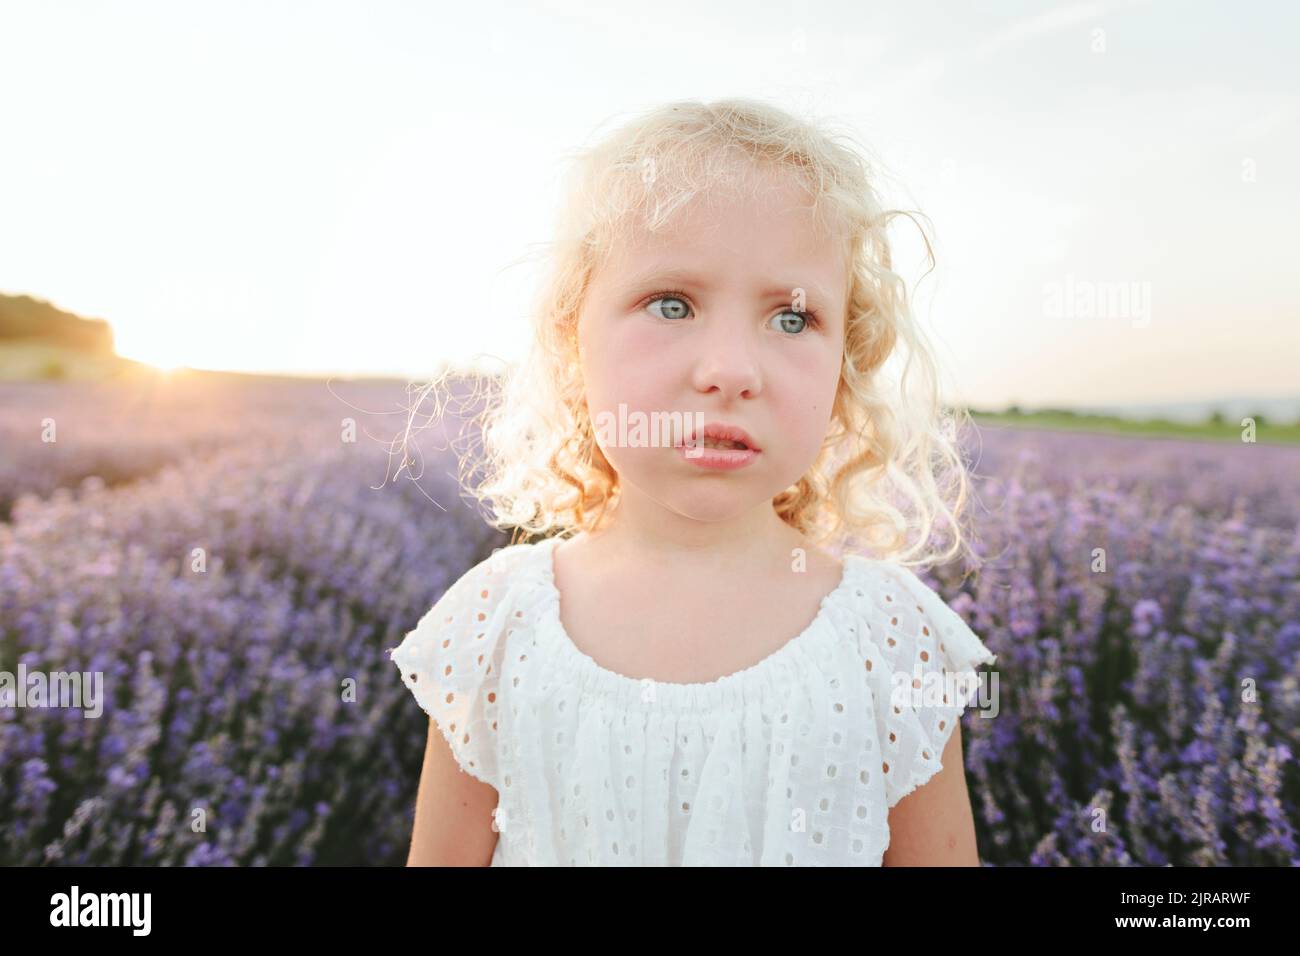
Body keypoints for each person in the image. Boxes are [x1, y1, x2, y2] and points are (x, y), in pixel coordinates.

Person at [389, 97, 997, 866]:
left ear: (845, 368)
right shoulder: (496, 623)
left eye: (792, 317)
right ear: (572, 340)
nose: (730, 371)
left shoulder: (891, 638)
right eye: (671, 304)